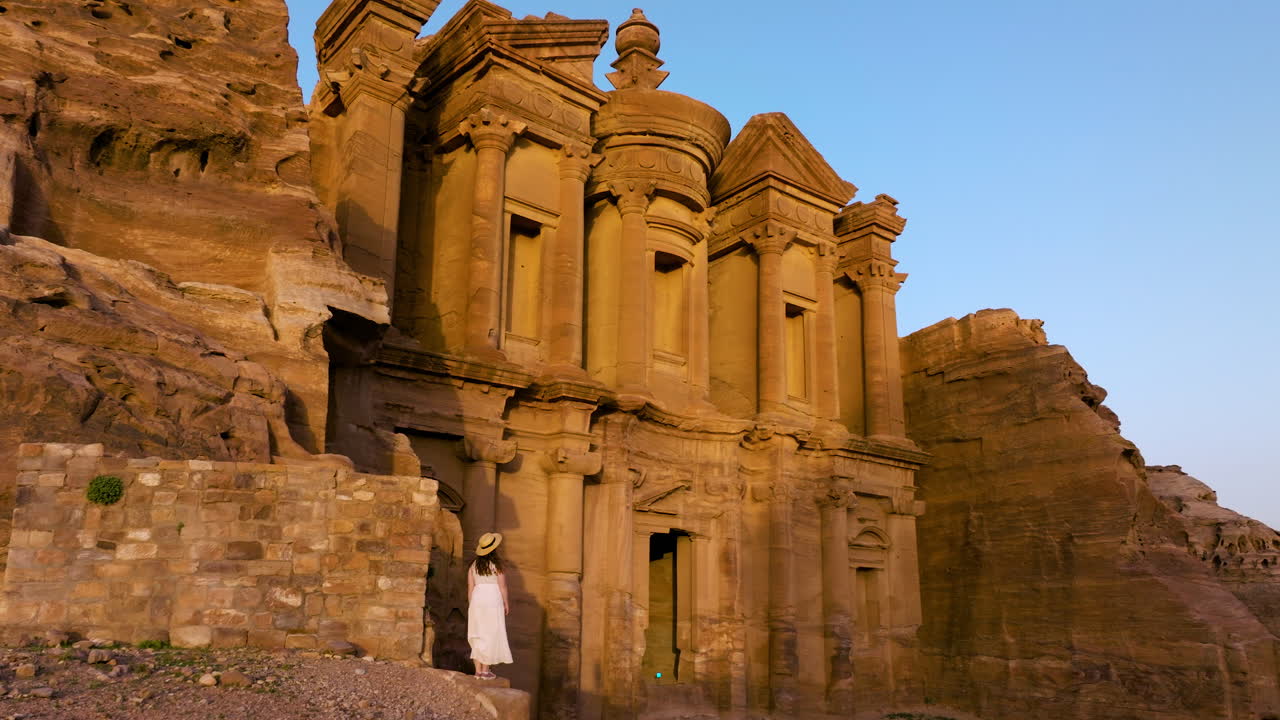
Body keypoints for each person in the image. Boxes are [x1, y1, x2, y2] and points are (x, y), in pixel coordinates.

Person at [467, 532, 512, 678]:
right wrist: (506, 603)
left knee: (477, 633)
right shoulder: (496, 565)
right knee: (490, 632)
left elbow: (470, 587)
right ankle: (485, 671)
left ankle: (478, 671)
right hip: (492, 599)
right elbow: (503, 586)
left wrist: (471, 605)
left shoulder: (473, 566)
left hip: (477, 599)